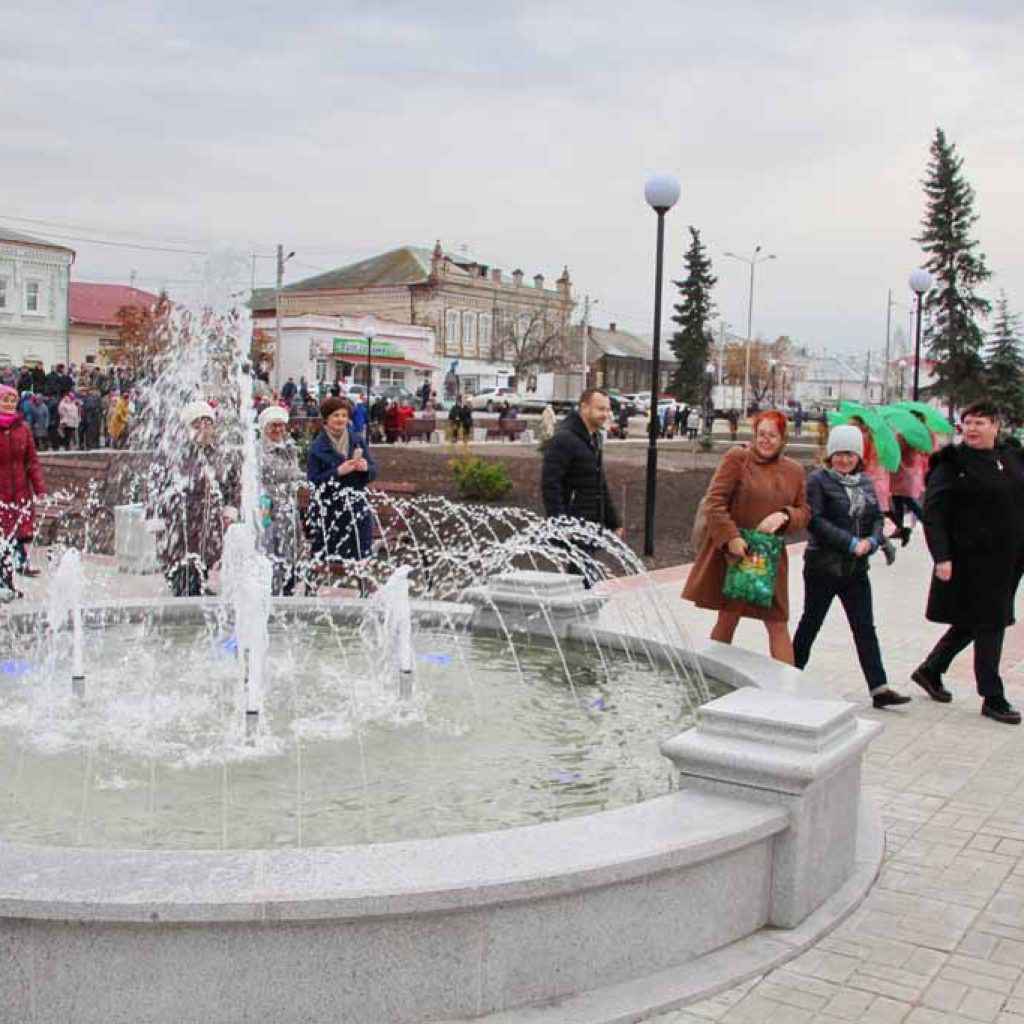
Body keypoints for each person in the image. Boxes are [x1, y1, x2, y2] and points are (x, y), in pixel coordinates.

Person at [912, 401, 1023, 724]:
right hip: (971, 558)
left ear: (996, 426)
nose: (972, 429)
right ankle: (992, 696)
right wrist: (941, 556)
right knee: (991, 622)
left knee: (975, 620)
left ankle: (931, 670)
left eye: (980, 422)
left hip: (1009, 558)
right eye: (967, 423)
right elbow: (934, 511)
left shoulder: (1011, 458)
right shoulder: (952, 462)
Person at [793, 425, 910, 708]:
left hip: (856, 569)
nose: (844, 460)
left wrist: (873, 540)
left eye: (850, 454)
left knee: (864, 627)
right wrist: (849, 542)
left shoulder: (865, 482)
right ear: (830, 454)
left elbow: (876, 517)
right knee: (811, 622)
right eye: (839, 454)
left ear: (859, 456)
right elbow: (815, 520)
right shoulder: (818, 481)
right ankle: (789, 676)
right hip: (824, 566)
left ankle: (879, 688)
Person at [682, 410, 811, 664]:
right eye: (761, 434)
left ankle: (788, 691)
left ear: (782, 438)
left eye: (772, 435)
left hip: (769, 559)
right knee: (728, 617)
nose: (765, 440)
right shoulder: (738, 458)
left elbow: (804, 512)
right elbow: (715, 502)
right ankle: (711, 674)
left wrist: (785, 516)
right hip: (737, 555)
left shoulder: (794, 470)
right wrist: (731, 538)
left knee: (777, 622)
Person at [148, 401, 240, 597]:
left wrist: (229, 510)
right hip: (181, 525)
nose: (204, 429)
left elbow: (231, 484)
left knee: (203, 563)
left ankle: (198, 590)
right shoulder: (174, 454)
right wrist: (156, 518)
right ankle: (186, 597)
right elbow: (157, 486)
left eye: (208, 423)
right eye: (198, 424)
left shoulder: (218, 454)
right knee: (182, 567)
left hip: (208, 525)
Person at [541, 389, 623, 583]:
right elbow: (550, 485)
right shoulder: (565, 439)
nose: (605, 414)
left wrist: (613, 521)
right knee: (579, 582)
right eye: (600, 409)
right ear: (584, 407)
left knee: (583, 581)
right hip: (574, 525)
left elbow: (598, 482)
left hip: (590, 523)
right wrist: (560, 525)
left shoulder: (592, 438)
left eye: (607, 409)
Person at [306, 396, 377, 573]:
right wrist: (337, 472)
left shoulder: (357, 440)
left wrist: (365, 468)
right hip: (330, 513)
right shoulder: (317, 447)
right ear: (326, 419)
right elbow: (313, 482)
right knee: (328, 565)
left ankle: (361, 594)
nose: (340, 419)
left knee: (359, 562)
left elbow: (374, 470)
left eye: (344, 415)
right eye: (336, 415)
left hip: (356, 510)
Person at [0, 384, 45, 595]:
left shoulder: (23, 428)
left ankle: (8, 583)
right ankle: (4, 584)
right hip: (0, 494)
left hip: (19, 494)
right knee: (2, 539)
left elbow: (32, 462)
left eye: (12, 399)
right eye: (5, 399)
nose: (9, 403)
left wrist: (39, 488)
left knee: (13, 538)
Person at [257, 405, 305, 596]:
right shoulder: (259, 451)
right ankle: (271, 594)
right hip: (268, 508)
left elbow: (294, 474)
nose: (278, 430)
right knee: (270, 550)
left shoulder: (289, 448)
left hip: (288, 509)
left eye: (281, 425)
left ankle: (287, 591)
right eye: (273, 426)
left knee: (291, 552)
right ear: (264, 428)